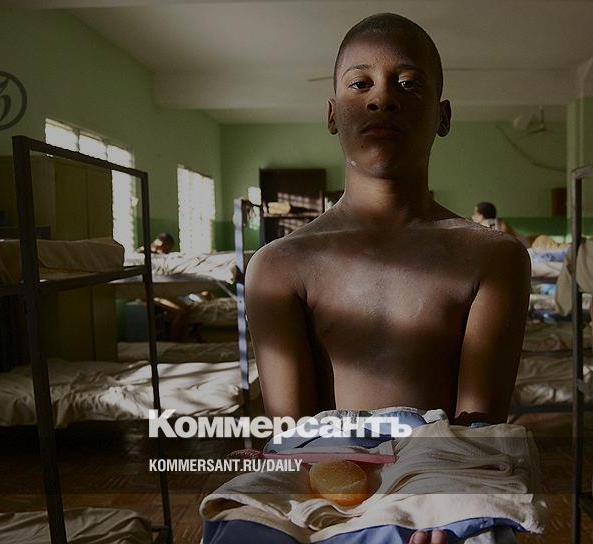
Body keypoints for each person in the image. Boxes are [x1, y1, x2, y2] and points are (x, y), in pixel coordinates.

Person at [245, 15, 529, 543]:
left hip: (440, 474)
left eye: (409, 84)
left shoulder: (493, 257)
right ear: (333, 114)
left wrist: (434, 506)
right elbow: (293, 438)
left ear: (443, 116)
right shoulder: (279, 265)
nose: (382, 99)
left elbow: (477, 429)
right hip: (323, 476)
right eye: (360, 83)